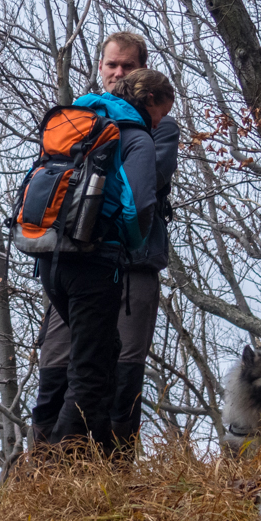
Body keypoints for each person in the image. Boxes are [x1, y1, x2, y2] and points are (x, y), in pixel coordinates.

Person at [32, 32, 179, 451]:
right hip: (82, 258)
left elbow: (155, 176)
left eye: (127, 66)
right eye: (111, 64)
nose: (117, 73)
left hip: (130, 266)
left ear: (142, 70)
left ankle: (112, 470)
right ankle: (46, 473)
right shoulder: (79, 119)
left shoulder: (159, 125)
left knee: (124, 368)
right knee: (58, 366)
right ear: (99, 67)